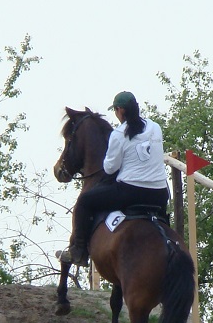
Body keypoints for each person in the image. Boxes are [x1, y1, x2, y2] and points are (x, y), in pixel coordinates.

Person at [65, 91, 170, 266]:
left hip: (131, 193)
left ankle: (79, 251)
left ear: (120, 110)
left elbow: (109, 168)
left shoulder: (119, 134)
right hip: (160, 194)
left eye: (115, 110)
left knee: (85, 202)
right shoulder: (155, 127)